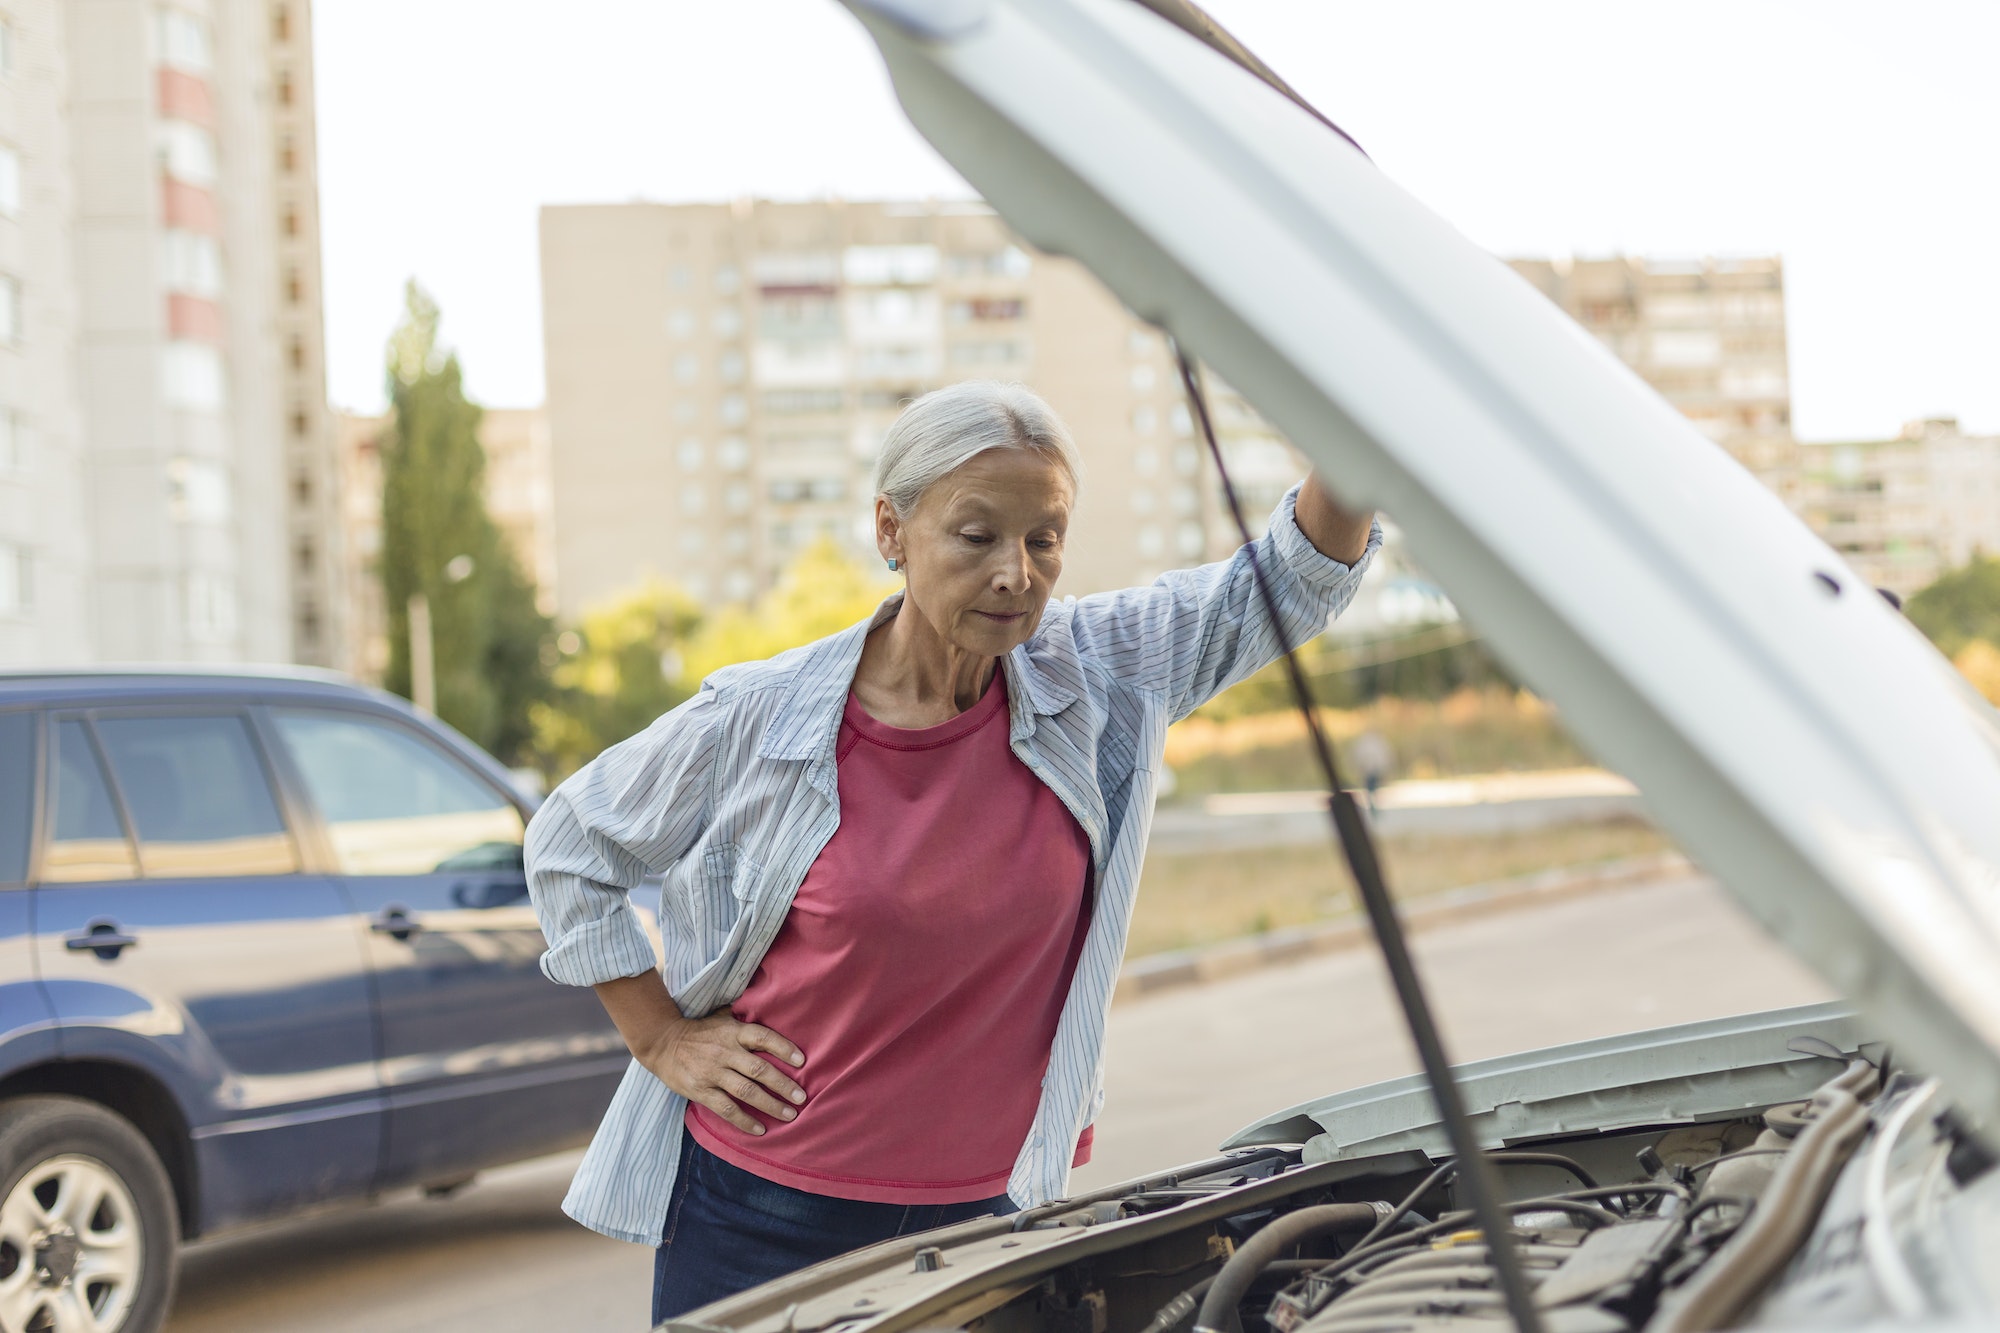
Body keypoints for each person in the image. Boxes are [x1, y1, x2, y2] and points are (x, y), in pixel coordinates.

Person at [525, 381, 1380, 1320]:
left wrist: (1362, 425)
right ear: (892, 530)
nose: (1017, 573)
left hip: (992, 1219)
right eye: (977, 538)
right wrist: (661, 1036)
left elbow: (1287, 582)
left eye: (1043, 538)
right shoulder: (763, 717)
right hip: (761, 1217)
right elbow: (572, 846)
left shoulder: (1095, 671)